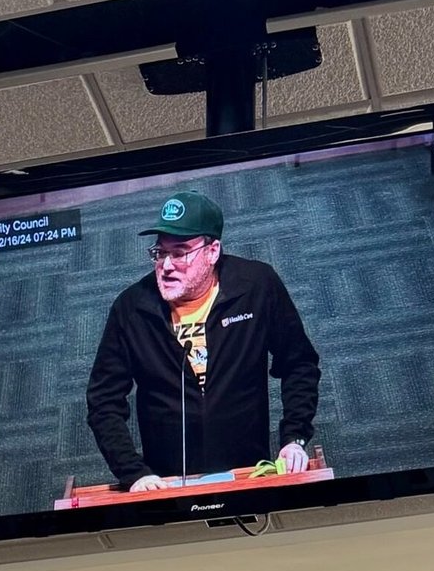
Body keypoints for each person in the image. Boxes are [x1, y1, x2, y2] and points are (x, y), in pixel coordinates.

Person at [86, 188, 321, 492]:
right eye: (160, 252)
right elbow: (103, 401)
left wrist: (294, 438)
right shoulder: (131, 309)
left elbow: (299, 364)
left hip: (249, 475)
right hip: (167, 484)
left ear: (212, 252)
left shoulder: (256, 287)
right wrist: (133, 473)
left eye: (180, 252)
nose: (166, 266)